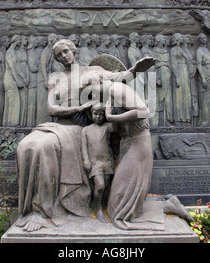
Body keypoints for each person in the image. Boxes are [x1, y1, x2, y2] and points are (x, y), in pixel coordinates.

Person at [15, 38, 155, 232]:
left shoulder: (94, 71)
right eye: (58, 55)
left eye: (66, 51)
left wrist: (136, 70)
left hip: (77, 129)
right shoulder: (55, 78)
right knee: (26, 145)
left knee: (41, 146)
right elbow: (51, 109)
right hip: (57, 126)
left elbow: (120, 78)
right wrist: (79, 106)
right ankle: (32, 210)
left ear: (73, 50)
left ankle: (41, 211)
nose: (63, 56)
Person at [81, 103, 115, 223]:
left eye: (101, 114)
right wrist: (86, 160)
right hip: (95, 163)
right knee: (99, 186)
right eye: (95, 113)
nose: (98, 117)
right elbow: (84, 147)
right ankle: (97, 209)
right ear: (91, 114)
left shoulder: (107, 127)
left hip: (107, 161)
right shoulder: (86, 130)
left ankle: (104, 206)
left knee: (106, 187)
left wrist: (109, 110)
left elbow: (117, 125)